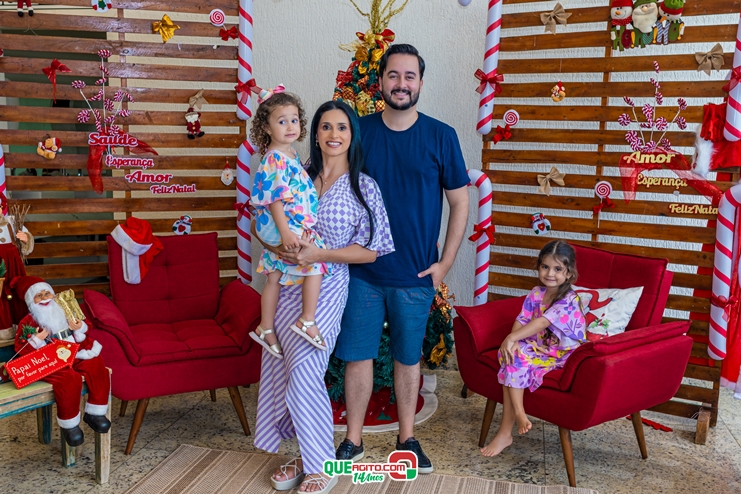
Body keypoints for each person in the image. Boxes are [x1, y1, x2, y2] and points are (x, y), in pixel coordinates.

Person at [334, 43, 470, 473]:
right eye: (393, 75)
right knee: (358, 357)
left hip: (415, 274)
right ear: (381, 81)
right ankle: (353, 441)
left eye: (410, 76)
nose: (401, 83)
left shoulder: (441, 136)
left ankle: (407, 439)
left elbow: (460, 203)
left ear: (420, 83)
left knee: (408, 359)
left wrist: (445, 264)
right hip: (361, 272)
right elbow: (330, 182)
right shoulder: (358, 131)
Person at [253, 100, 394, 494]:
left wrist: (320, 254)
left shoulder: (364, 186)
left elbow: (372, 250)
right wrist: (278, 245)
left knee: (304, 372)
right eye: (326, 127)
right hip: (286, 286)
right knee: (283, 371)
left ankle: (320, 467)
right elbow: (265, 218)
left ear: (352, 136)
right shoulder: (298, 172)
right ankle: (306, 455)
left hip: (327, 287)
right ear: (315, 134)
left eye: (342, 127)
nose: (334, 134)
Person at [480, 240, 587, 456]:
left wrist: (511, 338)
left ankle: (512, 423)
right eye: (545, 267)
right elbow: (522, 319)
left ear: (569, 273)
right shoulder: (536, 293)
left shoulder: (569, 299)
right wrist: (512, 342)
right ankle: (509, 428)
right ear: (538, 267)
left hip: (561, 354)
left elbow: (542, 322)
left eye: (558, 269)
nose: (550, 273)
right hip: (538, 347)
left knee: (512, 358)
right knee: (511, 356)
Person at [249, 90, 332, 359]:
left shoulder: (290, 154)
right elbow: (275, 198)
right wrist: (286, 232)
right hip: (280, 224)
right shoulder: (275, 157)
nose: (290, 126)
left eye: (294, 120)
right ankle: (307, 320)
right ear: (266, 127)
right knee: (315, 259)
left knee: (273, 276)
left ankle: (265, 327)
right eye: (281, 121)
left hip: (284, 223)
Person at [12, 276, 111, 447]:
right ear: (31, 301)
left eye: (47, 294)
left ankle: (95, 412)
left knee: (95, 364)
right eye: (39, 296)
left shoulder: (64, 309)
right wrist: (36, 340)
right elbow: (20, 347)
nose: (45, 298)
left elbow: (86, 325)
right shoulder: (28, 321)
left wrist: (79, 327)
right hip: (51, 360)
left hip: (75, 351)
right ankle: (70, 425)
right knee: (68, 379)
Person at [0, 199, 35, 333]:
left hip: (13, 264)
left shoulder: (11, 221)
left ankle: (19, 326)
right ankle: (3, 328)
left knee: (14, 291)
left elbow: (27, 242)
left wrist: (26, 239)